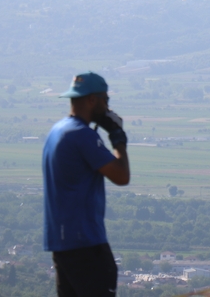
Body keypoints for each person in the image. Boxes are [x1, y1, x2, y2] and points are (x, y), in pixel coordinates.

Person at [43, 72, 130, 296]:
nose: (108, 107)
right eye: (106, 100)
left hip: (62, 244)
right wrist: (118, 137)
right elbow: (121, 176)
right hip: (86, 244)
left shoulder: (57, 131)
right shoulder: (82, 135)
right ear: (93, 99)